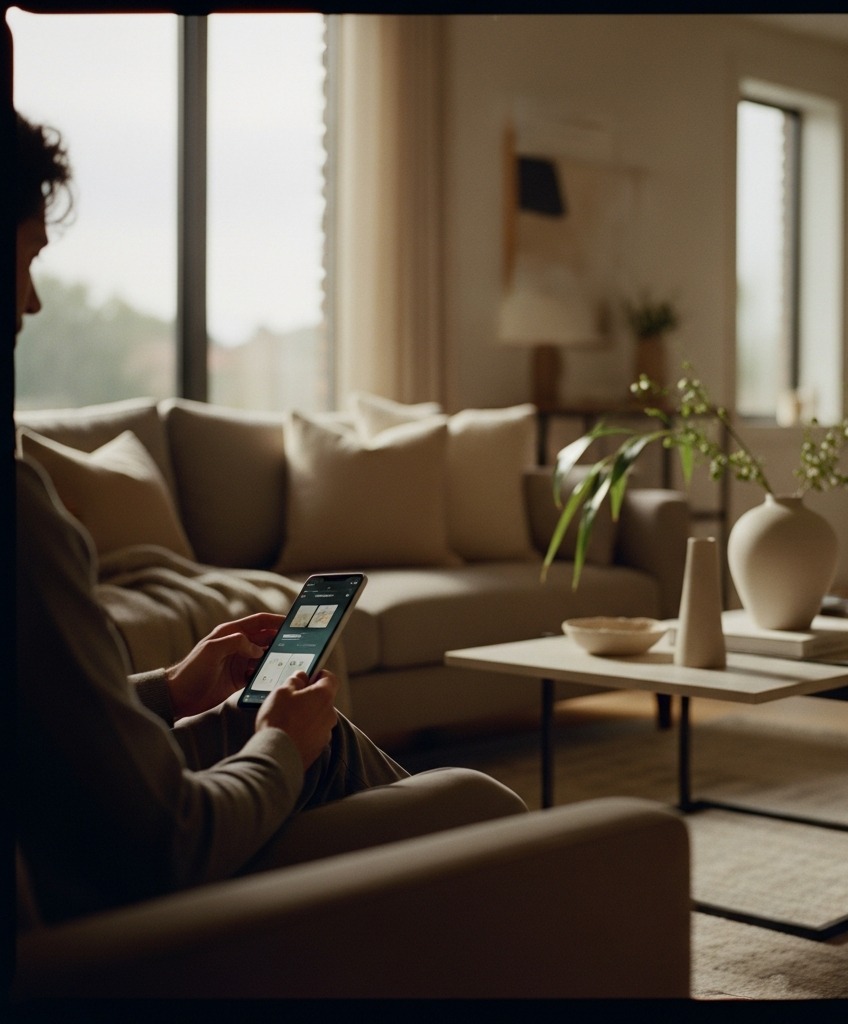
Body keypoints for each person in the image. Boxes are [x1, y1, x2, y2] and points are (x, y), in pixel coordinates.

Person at [13, 112, 527, 927]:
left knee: (303, 737)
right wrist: (281, 747)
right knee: (480, 812)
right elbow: (165, 846)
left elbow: (44, 741)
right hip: (108, 924)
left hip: (57, 839)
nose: (32, 302)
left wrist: (171, 689)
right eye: (27, 257)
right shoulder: (18, 517)